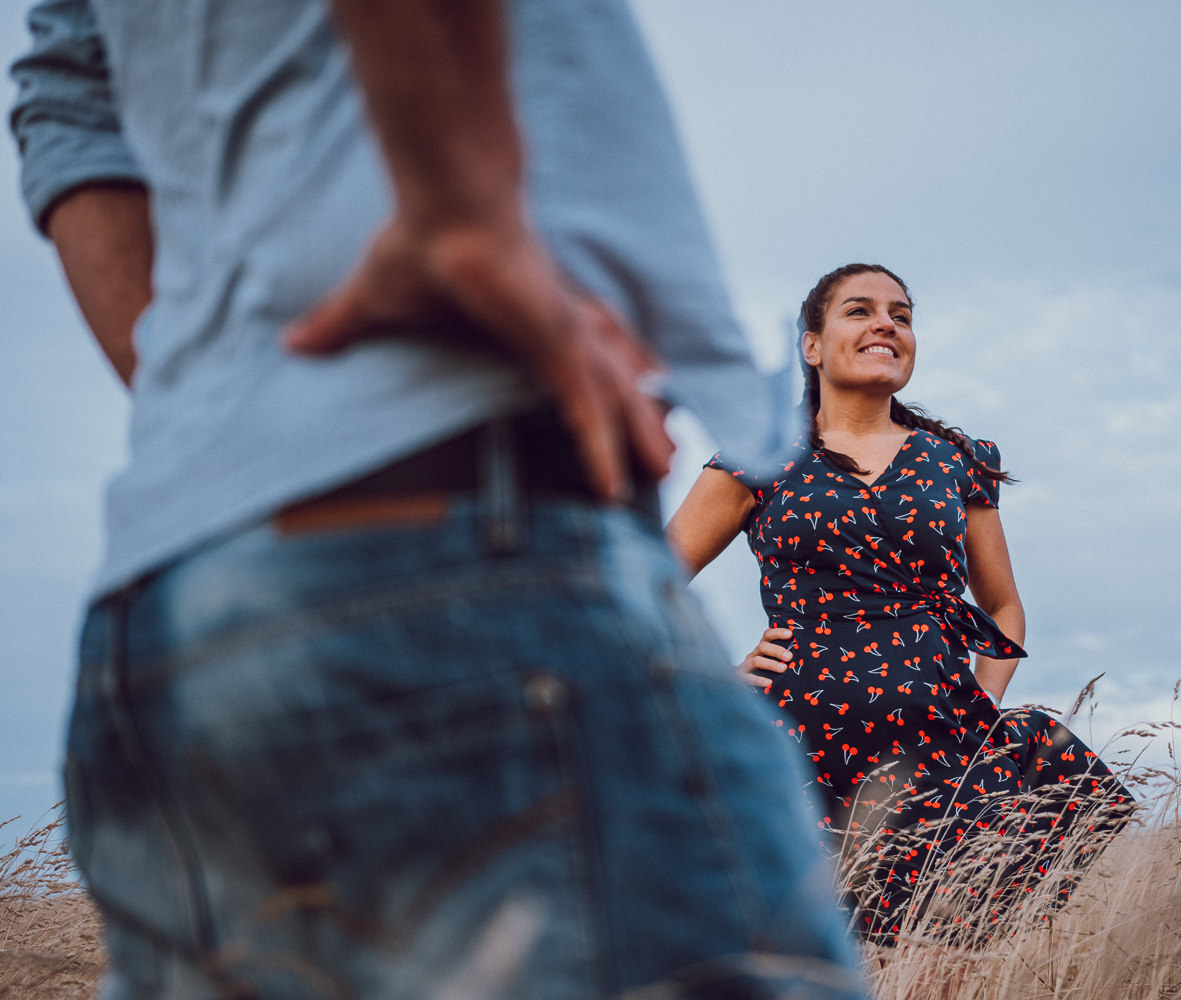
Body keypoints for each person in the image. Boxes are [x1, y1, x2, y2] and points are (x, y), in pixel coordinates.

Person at [10, 1, 867, 996]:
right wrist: (461, 215)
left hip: (175, 602)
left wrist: (229, 418)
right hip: (463, 534)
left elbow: (71, 94)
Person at [667, 263, 1136, 946]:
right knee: (814, 954)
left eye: (903, 315)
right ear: (812, 346)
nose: (886, 324)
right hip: (799, 745)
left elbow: (1003, 605)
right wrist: (713, 676)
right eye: (859, 310)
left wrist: (982, 701)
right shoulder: (758, 456)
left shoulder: (957, 460)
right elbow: (651, 580)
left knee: (939, 956)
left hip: (942, 740)